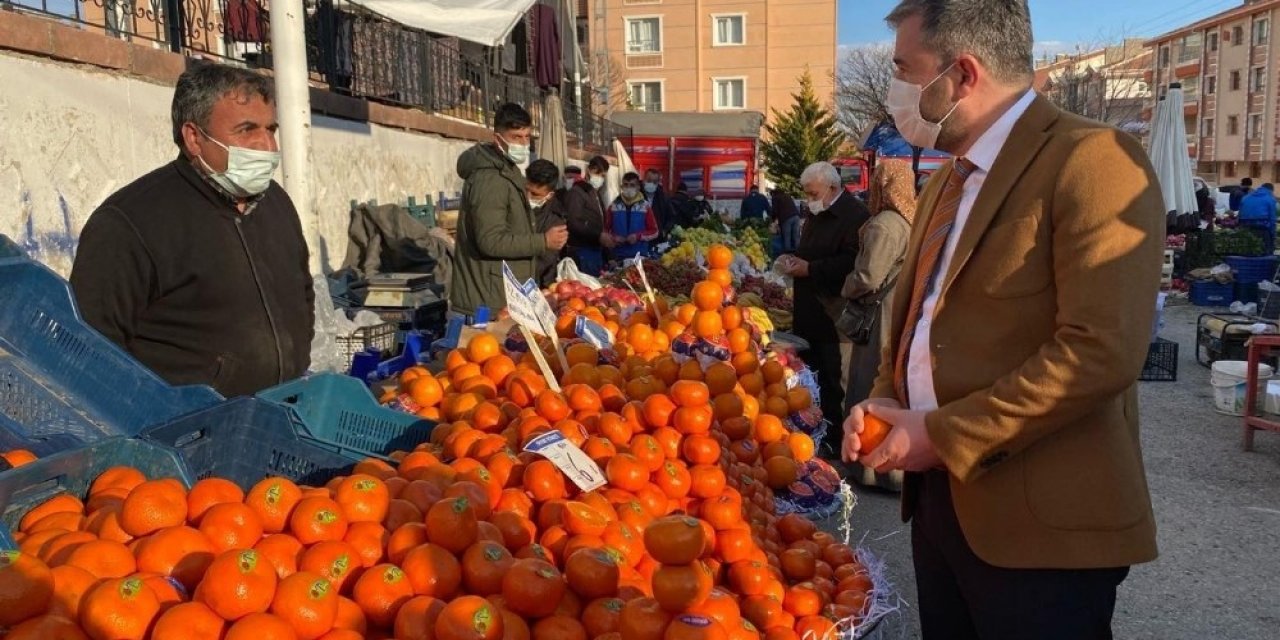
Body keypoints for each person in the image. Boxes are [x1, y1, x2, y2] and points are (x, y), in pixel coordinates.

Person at [841, 2, 1163, 638]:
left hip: (1041, 532)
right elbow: (917, 325)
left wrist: (942, 435)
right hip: (940, 513)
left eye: (905, 70)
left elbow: (1100, 351)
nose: (895, 89)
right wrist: (883, 402)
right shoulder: (945, 180)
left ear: (962, 73)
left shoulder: (1091, 158)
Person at [69, 63, 314, 398]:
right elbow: (91, 349)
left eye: (270, 129)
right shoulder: (130, 222)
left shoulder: (277, 204)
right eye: (246, 130)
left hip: (283, 413)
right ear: (194, 137)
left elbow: (302, 292)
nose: (266, 146)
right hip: (188, 432)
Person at [778, 161, 869, 453]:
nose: (809, 200)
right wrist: (792, 261)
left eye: (813, 193)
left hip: (835, 313)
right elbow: (809, 251)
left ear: (832, 188)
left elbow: (852, 263)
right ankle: (817, 435)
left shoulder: (854, 215)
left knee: (833, 379)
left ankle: (836, 441)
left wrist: (811, 269)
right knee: (812, 376)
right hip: (809, 309)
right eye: (806, 194)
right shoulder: (817, 212)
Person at [452, 103, 569, 317]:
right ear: (498, 139)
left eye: (527, 137)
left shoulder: (508, 171)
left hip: (501, 295)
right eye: (516, 137)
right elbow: (491, 240)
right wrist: (542, 241)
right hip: (487, 301)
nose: (524, 144)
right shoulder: (489, 179)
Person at [841, 159, 915, 411]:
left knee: (869, 380)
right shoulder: (909, 219)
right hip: (897, 308)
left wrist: (847, 286)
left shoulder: (885, 225)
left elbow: (868, 277)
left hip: (878, 315)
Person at [557, 165, 609, 275]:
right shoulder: (575, 193)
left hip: (594, 248)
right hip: (580, 249)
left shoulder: (594, 193)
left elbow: (601, 221)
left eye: (602, 175)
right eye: (569, 178)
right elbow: (574, 222)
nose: (572, 181)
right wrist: (597, 235)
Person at [605, 172, 660, 261]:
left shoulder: (645, 206)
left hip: (639, 256)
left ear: (638, 187)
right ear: (621, 186)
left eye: (632, 185)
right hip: (618, 256)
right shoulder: (613, 206)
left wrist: (638, 236)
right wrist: (614, 238)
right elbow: (605, 230)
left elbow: (655, 232)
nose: (628, 188)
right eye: (626, 185)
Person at [527, 160, 565, 287]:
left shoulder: (556, 220)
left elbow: (544, 261)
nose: (528, 196)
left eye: (535, 194)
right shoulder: (514, 204)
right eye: (526, 190)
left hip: (538, 284)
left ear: (549, 195)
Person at [1239, 183, 1277, 255]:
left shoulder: (1246, 197)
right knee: (1267, 248)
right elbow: (1272, 219)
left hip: (1245, 227)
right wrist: (1273, 234)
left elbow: (1239, 214)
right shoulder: (1270, 199)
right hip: (1262, 227)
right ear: (1271, 190)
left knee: (1248, 249)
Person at [643, 168, 675, 236]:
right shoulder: (636, 196)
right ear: (644, 179)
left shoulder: (663, 198)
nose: (651, 184)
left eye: (654, 182)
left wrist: (665, 230)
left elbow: (671, 217)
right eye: (649, 180)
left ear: (658, 183)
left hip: (657, 238)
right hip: (639, 238)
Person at [771, 188, 801, 252]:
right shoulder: (787, 196)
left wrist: (773, 220)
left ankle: (787, 254)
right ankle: (799, 253)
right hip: (796, 216)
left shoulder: (775, 198)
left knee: (787, 236)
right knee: (796, 236)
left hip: (786, 218)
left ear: (774, 193)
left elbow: (774, 211)